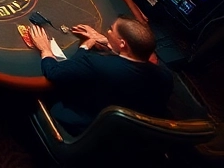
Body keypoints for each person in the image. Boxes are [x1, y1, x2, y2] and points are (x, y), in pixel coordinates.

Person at [29, 17, 174, 134]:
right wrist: (107, 41)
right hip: (133, 135)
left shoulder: (98, 64)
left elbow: (55, 73)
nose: (108, 31)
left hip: (88, 127)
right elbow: (138, 55)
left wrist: (45, 48)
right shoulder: (166, 75)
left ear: (123, 43)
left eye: (111, 30)